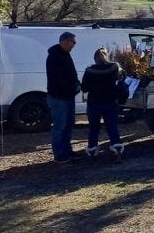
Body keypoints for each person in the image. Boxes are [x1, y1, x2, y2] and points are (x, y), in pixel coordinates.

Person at [81, 47, 125, 162]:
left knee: (94, 128)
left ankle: (92, 151)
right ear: (106, 56)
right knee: (112, 128)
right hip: (110, 101)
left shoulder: (89, 70)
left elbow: (84, 87)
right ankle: (117, 150)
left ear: (95, 58)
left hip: (94, 102)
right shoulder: (114, 67)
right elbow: (121, 78)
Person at [46, 31, 80, 163]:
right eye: (73, 42)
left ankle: (67, 150)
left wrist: (75, 86)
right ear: (65, 41)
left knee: (68, 125)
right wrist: (72, 87)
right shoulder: (55, 56)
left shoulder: (65, 54)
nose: (74, 45)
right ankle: (59, 154)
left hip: (68, 95)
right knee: (60, 125)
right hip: (59, 96)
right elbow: (60, 78)